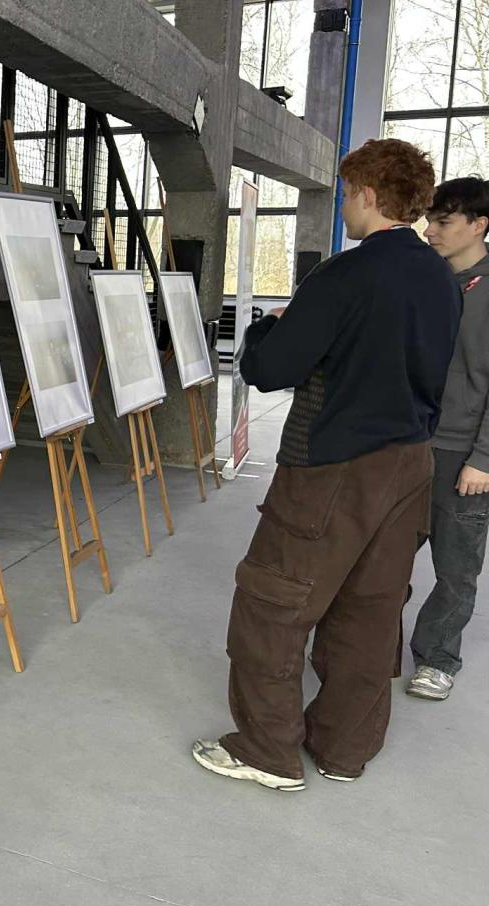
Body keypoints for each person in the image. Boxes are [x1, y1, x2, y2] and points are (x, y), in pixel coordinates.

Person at [192, 138, 460, 791]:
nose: (343, 207)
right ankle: (344, 749)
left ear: (367, 194)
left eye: (345, 195)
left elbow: (270, 367)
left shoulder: (346, 275)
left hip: (333, 464)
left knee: (273, 602)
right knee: (370, 610)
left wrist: (266, 327)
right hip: (410, 465)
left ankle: (266, 751)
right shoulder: (440, 277)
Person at [408, 177, 489, 700]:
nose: (430, 230)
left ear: (479, 225)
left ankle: (437, 657)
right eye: (429, 220)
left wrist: (484, 458)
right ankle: (366, 643)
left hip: (464, 453)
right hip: (407, 442)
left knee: (456, 569)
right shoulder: (426, 280)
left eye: (443, 221)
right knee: (382, 555)